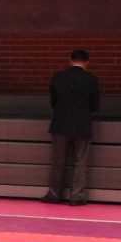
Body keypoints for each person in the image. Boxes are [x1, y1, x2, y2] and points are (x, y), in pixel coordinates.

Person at [40, 50, 100, 206]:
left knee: (58, 161)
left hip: (61, 123)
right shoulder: (92, 80)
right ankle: (76, 196)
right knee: (80, 161)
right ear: (87, 62)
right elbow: (95, 106)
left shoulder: (58, 77)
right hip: (82, 125)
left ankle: (54, 194)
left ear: (70, 60)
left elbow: (53, 101)